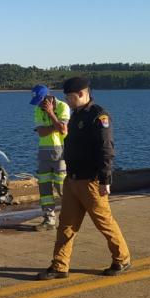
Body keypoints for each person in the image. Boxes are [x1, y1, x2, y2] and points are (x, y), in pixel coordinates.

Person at [38, 76, 131, 280]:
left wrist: (105, 180)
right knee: (66, 224)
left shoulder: (99, 116)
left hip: (91, 181)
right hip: (72, 179)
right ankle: (60, 265)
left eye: (70, 98)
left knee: (104, 222)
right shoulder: (76, 115)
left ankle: (122, 259)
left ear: (81, 94)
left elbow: (106, 150)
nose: (68, 102)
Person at [30, 83, 71, 230]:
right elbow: (41, 132)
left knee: (62, 187)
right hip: (44, 154)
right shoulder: (37, 110)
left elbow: (63, 130)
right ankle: (49, 220)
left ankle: (70, 217)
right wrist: (56, 125)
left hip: (61, 154)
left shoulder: (63, 107)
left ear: (48, 98)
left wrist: (51, 114)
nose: (40, 104)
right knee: (45, 189)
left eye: (41, 101)